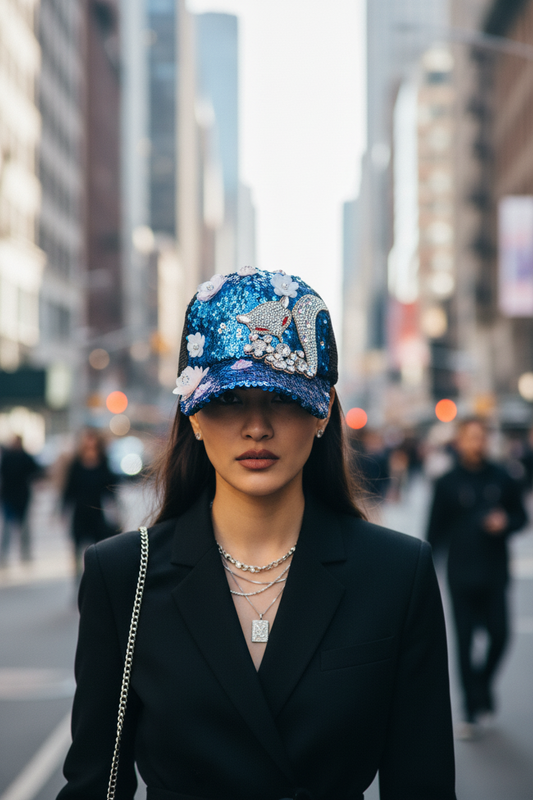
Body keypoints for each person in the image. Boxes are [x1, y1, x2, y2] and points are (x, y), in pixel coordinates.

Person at [58, 268, 456, 800]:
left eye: (282, 398)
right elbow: (93, 785)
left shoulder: (395, 573)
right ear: (193, 415)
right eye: (228, 400)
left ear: (321, 413)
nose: (256, 427)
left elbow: (423, 783)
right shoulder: (123, 575)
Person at [426, 417, 527, 739]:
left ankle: (482, 686)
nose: (475, 443)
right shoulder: (446, 482)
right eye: (469, 437)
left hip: (495, 572)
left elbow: (521, 518)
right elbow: (434, 533)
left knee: (500, 635)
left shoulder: (503, 477)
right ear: (459, 441)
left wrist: (506, 522)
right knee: (465, 642)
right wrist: (424, 575)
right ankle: (470, 710)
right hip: (460, 574)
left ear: (488, 440)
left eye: (481, 437)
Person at [62, 429, 119, 577]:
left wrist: (117, 511)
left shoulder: (103, 462)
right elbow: (69, 489)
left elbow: (111, 489)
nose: (90, 443)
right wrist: (61, 510)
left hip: (97, 512)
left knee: (100, 549)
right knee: (77, 548)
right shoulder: (76, 464)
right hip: (80, 512)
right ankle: (78, 580)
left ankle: (97, 578)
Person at [0, 435, 42, 563]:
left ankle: (25, 553)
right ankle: (5, 555)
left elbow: (36, 471)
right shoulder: (9, 457)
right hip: (10, 497)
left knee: (23, 528)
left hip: (20, 497)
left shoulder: (23, 457)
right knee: (8, 527)